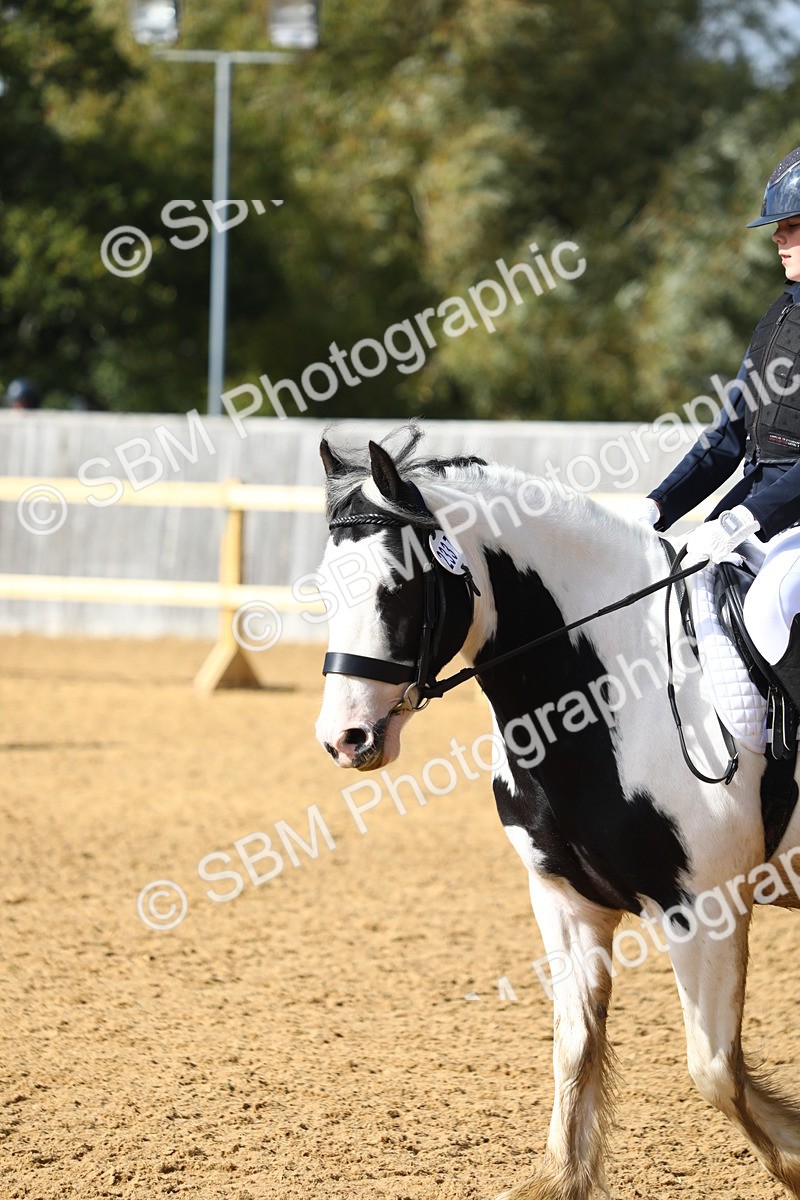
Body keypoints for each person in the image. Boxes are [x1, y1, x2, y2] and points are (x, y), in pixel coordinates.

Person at [640, 146, 800, 708]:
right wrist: (657, 507)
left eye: (794, 226)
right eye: (779, 227)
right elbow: (729, 437)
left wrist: (748, 517)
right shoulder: (779, 317)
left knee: (769, 602)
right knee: (678, 591)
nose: (779, 238)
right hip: (758, 507)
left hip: (784, 514)